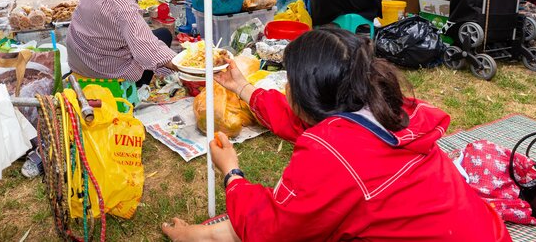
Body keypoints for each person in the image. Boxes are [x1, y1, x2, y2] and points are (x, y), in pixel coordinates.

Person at [162, 28, 511, 242]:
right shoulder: (385, 109)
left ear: (311, 96)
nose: (286, 90)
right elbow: (297, 121)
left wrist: (232, 174)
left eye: (289, 83)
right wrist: (242, 87)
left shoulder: (332, 154)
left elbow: (274, 229)